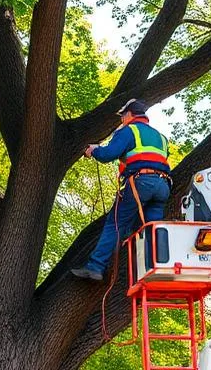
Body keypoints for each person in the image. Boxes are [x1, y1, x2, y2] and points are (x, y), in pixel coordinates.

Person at [71, 99, 172, 281]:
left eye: (122, 116)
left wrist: (94, 150)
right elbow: (149, 158)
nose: (121, 120)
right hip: (162, 186)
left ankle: (95, 267)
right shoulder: (161, 138)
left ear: (129, 114)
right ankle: (156, 267)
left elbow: (109, 154)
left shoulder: (129, 130)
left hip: (141, 184)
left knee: (116, 224)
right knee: (151, 228)